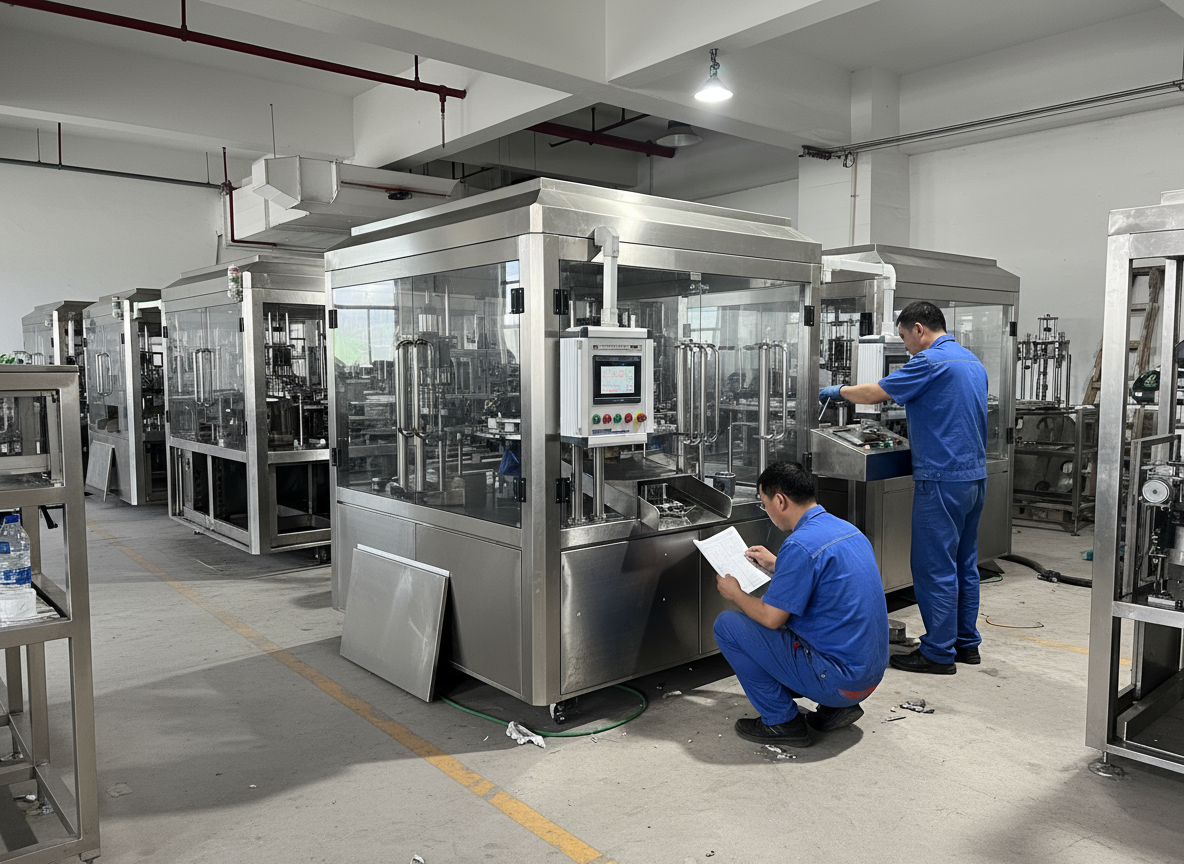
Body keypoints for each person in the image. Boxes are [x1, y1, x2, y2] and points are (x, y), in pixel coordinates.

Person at [819, 300, 988, 675]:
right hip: (973, 479)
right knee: (964, 564)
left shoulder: (928, 362)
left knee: (934, 567)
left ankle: (938, 653)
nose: (906, 347)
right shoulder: (971, 361)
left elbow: (875, 394)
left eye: (904, 338)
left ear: (919, 329)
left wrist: (837, 391)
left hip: (941, 479)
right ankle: (966, 643)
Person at [713, 462, 889, 748]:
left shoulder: (799, 545)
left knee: (728, 626)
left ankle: (781, 722)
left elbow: (771, 619)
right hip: (867, 678)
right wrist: (777, 564)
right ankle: (836, 709)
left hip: (839, 682)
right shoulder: (846, 530)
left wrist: (735, 593)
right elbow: (827, 585)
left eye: (764, 504)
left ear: (780, 500)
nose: (766, 511)